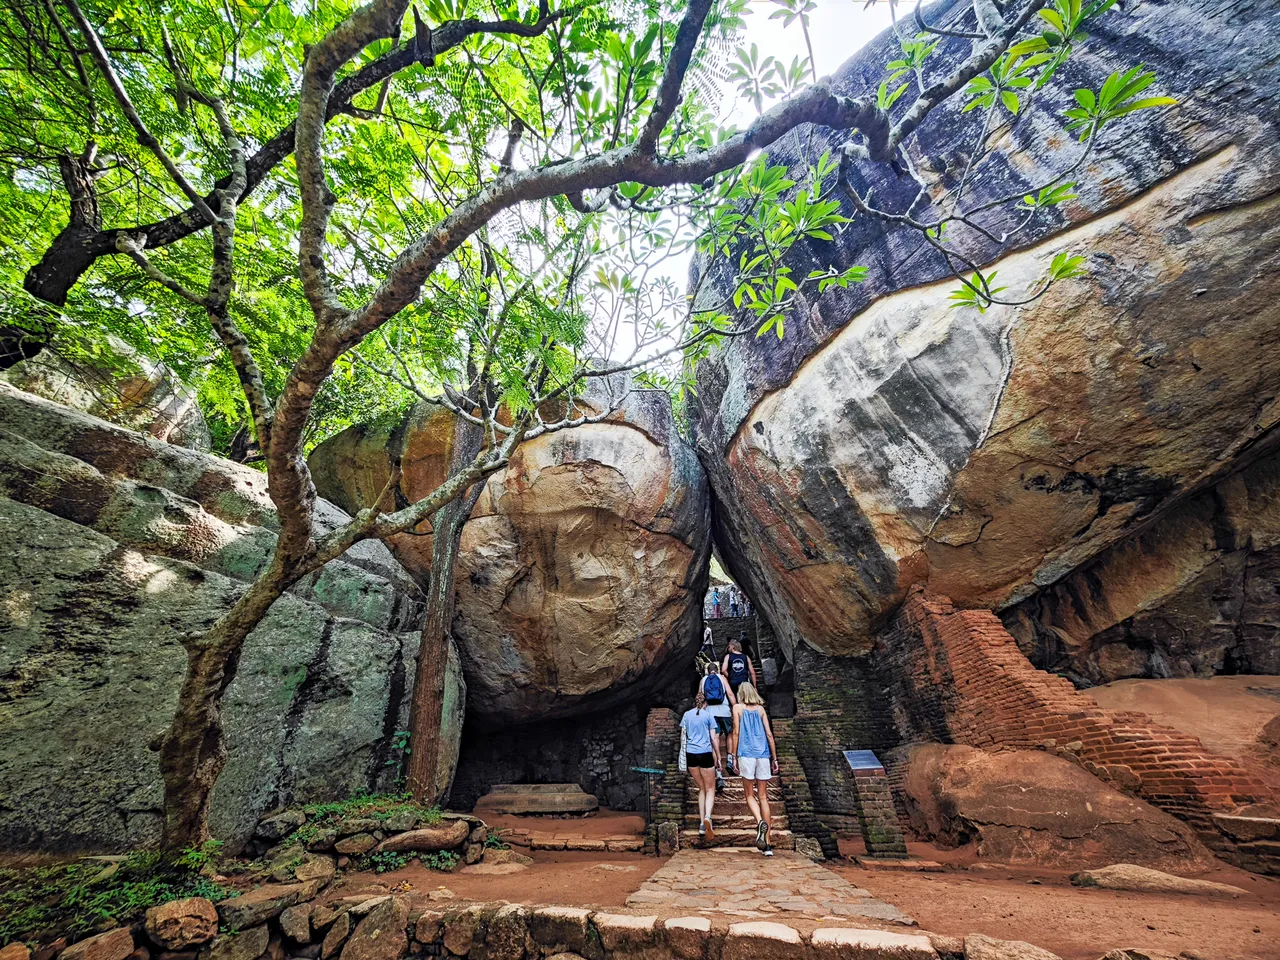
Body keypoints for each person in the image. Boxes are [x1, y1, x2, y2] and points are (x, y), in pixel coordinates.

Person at [729, 682, 779, 856]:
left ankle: (759, 823)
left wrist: (734, 756)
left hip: (746, 754)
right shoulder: (761, 710)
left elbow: (736, 732)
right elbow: (769, 734)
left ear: (741, 693)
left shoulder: (737, 708)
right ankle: (768, 846)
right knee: (763, 797)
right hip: (763, 754)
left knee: (749, 795)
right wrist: (774, 758)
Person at [681, 691, 721, 841]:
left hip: (691, 755)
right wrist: (718, 756)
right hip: (705, 753)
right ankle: (708, 817)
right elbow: (713, 738)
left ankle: (702, 825)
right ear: (706, 703)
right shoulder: (708, 715)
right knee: (710, 788)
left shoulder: (687, 715)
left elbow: (683, 736)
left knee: (702, 788)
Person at [700, 663, 735, 788]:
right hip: (724, 711)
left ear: (707, 671)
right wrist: (735, 707)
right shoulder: (722, 678)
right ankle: (730, 760)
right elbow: (730, 693)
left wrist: (700, 712)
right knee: (729, 733)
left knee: (714, 740)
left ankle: (718, 773)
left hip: (710, 713)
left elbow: (700, 697)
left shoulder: (703, 680)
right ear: (717, 670)